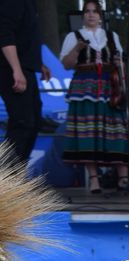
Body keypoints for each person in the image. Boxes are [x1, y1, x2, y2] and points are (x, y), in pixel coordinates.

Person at [59, 0, 129, 193]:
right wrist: (77, 49)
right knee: (88, 132)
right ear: (83, 15)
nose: (91, 14)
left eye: (95, 11)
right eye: (87, 11)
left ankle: (123, 177)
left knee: (117, 129)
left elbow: (121, 64)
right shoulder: (73, 36)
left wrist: (119, 64)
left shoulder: (111, 36)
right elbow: (66, 65)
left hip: (110, 87)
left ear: (101, 16)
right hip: (85, 87)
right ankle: (94, 179)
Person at [0, 0, 50, 165]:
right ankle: (6, 174)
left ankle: (16, 174)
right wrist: (16, 69)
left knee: (34, 122)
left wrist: (38, 63)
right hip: (11, 68)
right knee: (22, 123)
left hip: (25, 67)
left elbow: (25, 37)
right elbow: (4, 33)